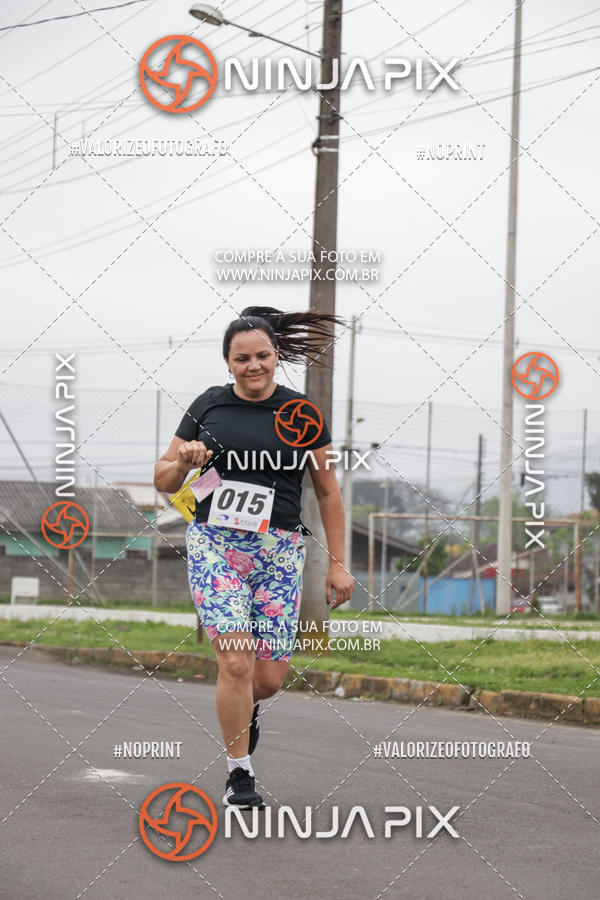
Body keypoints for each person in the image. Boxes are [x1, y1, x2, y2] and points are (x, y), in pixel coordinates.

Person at [154, 306, 355, 809]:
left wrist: (337, 561)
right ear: (228, 363)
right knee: (237, 661)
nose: (253, 365)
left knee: (266, 677)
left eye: (262, 355)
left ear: (276, 355)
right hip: (215, 545)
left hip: (280, 552)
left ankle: (246, 711)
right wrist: (185, 459)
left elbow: (328, 493)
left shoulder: (302, 413)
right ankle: (238, 774)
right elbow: (163, 482)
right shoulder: (208, 407)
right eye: (242, 358)